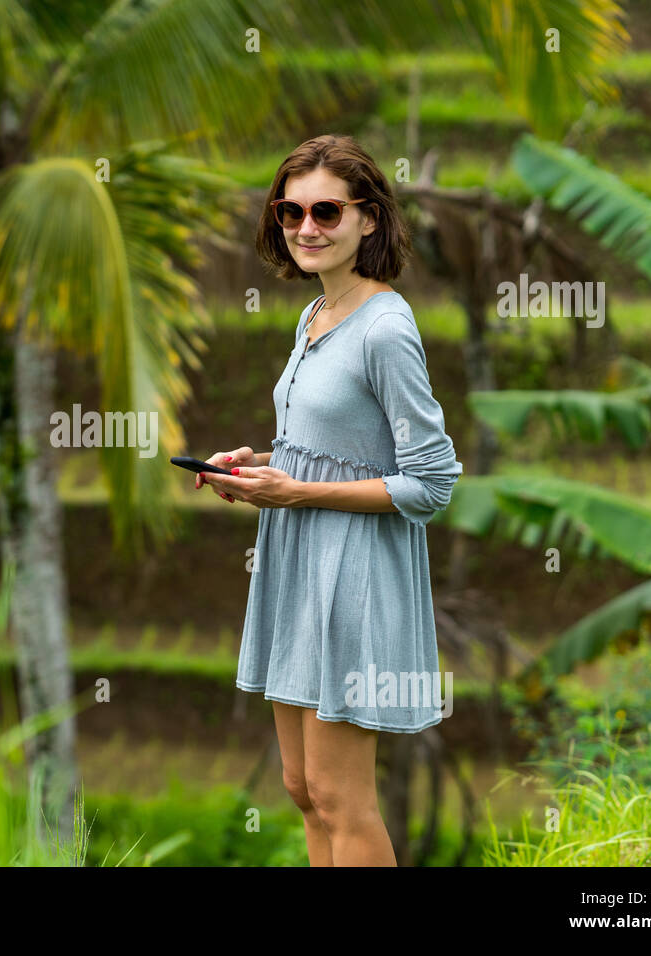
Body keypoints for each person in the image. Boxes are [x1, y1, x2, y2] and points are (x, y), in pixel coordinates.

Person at [196, 134, 463, 866]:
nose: (306, 228)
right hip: (296, 569)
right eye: (290, 213)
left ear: (368, 219)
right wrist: (256, 465)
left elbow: (432, 482)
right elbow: (329, 439)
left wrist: (297, 489)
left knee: (345, 798)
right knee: (304, 788)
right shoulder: (315, 316)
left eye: (325, 212)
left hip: (357, 576)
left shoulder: (385, 327)